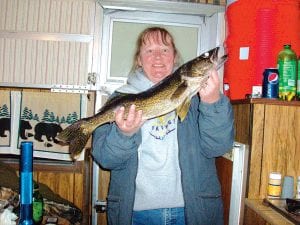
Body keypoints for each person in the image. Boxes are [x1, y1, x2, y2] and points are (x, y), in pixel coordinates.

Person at [92, 27, 234, 225]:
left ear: (175, 57)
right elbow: (105, 159)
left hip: (192, 213)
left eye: (165, 50)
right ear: (139, 60)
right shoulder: (120, 100)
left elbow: (218, 147)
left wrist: (212, 102)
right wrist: (124, 135)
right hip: (135, 215)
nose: (157, 57)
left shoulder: (199, 97)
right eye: (149, 51)